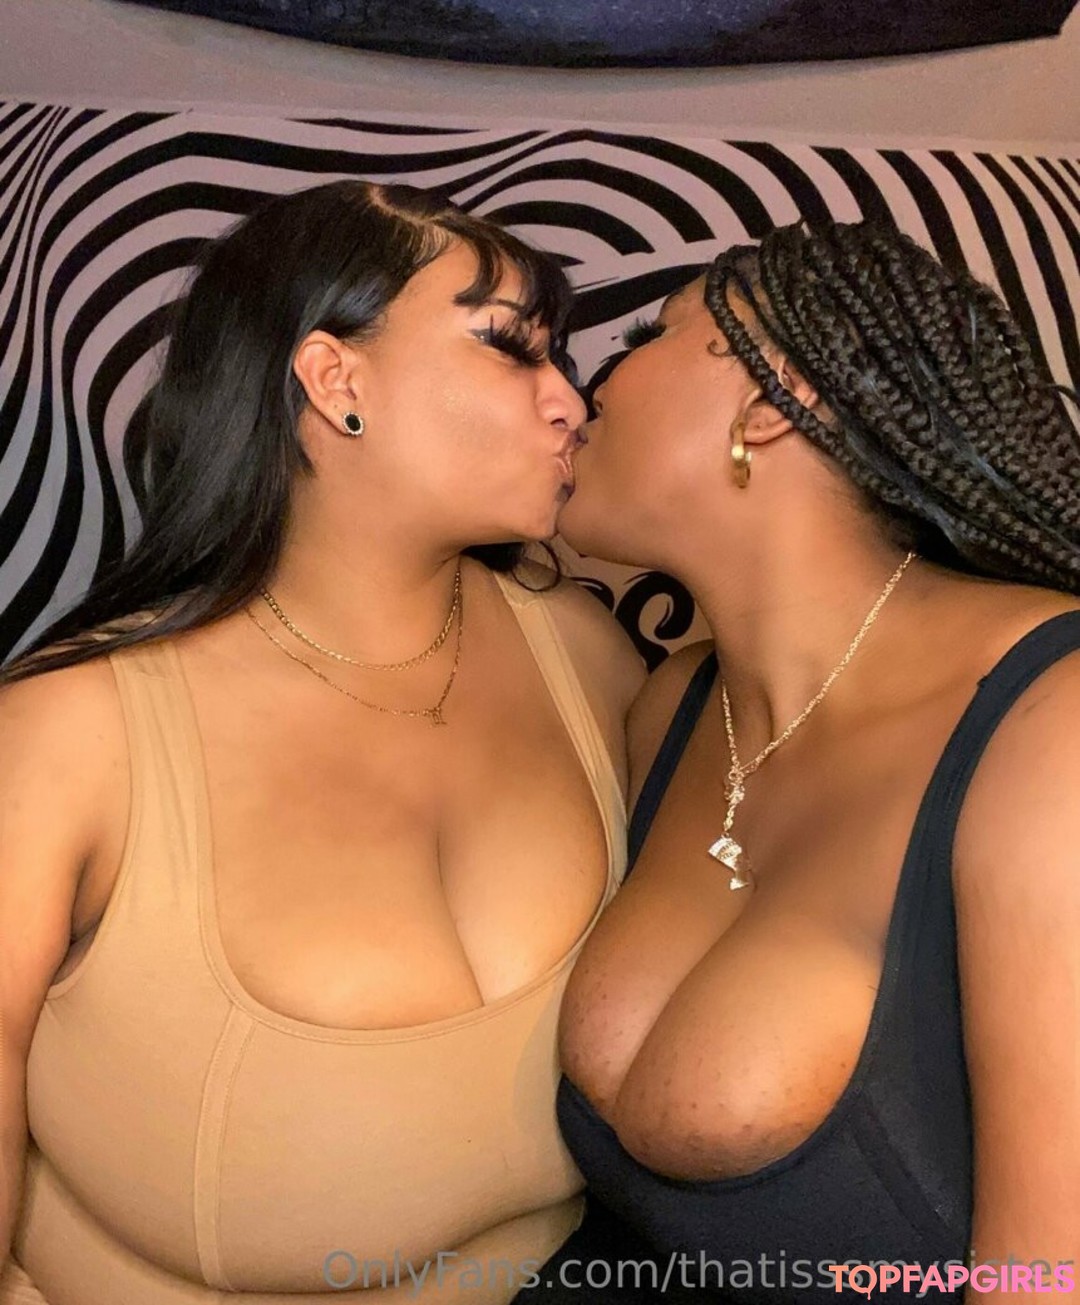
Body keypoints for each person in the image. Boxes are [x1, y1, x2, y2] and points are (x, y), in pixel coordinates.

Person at [0, 180, 644, 1303]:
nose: (570, 402)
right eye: (511, 348)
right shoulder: (71, 727)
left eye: (563, 358)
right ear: (336, 381)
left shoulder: (586, 655)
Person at [535, 220, 1079, 1302]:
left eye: (647, 334)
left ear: (772, 396)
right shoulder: (671, 708)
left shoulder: (1049, 726)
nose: (577, 390)